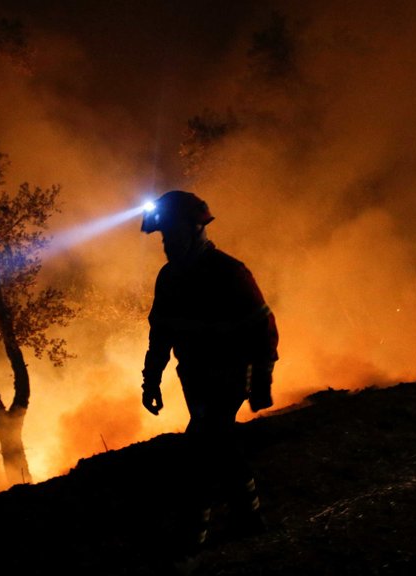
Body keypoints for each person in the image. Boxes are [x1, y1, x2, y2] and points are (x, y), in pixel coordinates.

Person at [140, 190, 279, 557]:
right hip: (195, 379)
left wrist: (261, 380)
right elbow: (161, 334)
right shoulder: (168, 278)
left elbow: (262, 327)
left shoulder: (229, 272)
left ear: (195, 228)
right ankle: (249, 518)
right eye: (163, 236)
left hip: (229, 376)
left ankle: (193, 538)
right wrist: (151, 379)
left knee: (199, 448)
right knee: (221, 444)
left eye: (171, 233)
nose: (167, 243)